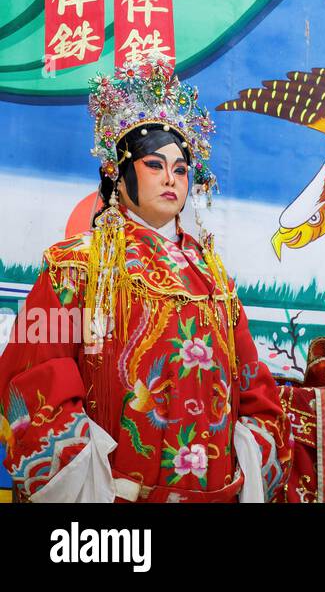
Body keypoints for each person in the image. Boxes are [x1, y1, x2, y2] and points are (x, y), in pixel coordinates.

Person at [0, 54, 290, 502]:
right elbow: (33, 379)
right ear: (117, 173)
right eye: (154, 165)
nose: (170, 179)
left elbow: (254, 384)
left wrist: (245, 464)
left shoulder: (213, 278)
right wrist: (90, 479)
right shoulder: (77, 267)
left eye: (179, 169)